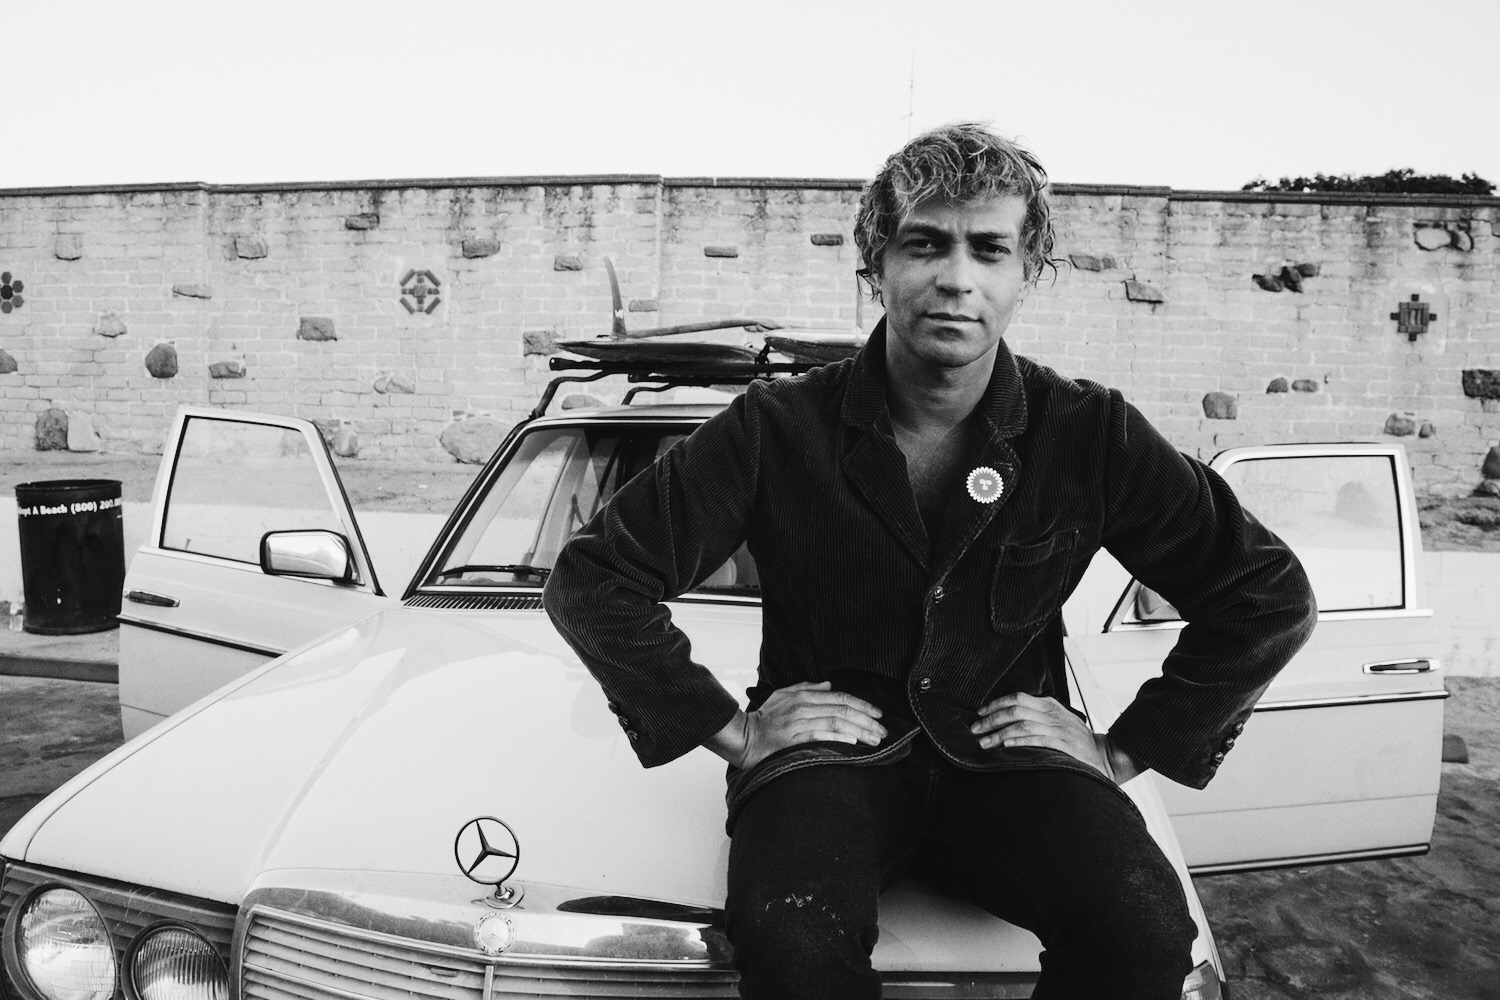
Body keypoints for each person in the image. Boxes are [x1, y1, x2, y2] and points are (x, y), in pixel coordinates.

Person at [543, 123, 1317, 999]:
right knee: (792, 937)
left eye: (989, 249)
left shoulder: (1089, 433)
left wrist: (1125, 749)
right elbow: (594, 580)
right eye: (924, 244)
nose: (956, 277)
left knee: (1144, 927)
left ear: (1027, 272)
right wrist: (734, 730)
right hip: (829, 763)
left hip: (1010, 758)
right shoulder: (776, 428)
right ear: (875, 264)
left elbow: (1265, 595)